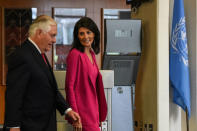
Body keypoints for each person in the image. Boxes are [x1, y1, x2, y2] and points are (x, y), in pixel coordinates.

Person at [3, 15, 81, 131]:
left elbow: (50, 88)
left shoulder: (40, 54)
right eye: (52, 35)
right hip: (30, 126)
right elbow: (14, 96)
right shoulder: (21, 55)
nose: (54, 40)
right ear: (39, 32)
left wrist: (67, 110)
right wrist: (13, 126)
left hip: (44, 125)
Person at [65, 17, 107, 131]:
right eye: (81, 34)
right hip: (82, 113)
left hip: (94, 110)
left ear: (94, 34)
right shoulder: (75, 54)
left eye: (88, 32)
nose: (85, 37)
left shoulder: (92, 53)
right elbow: (69, 86)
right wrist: (75, 116)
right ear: (77, 36)